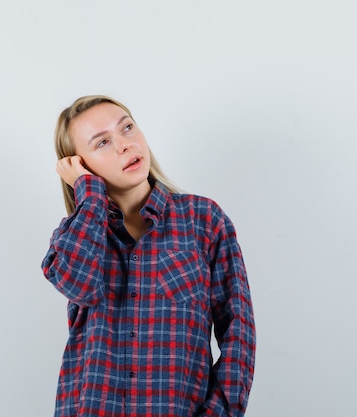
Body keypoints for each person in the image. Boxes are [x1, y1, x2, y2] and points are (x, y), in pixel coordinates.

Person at [41, 95, 256, 417]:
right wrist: (89, 195)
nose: (125, 145)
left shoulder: (204, 220)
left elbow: (238, 330)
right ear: (80, 165)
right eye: (102, 143)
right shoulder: (72, 234)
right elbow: (79, 286)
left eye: (127, 127)